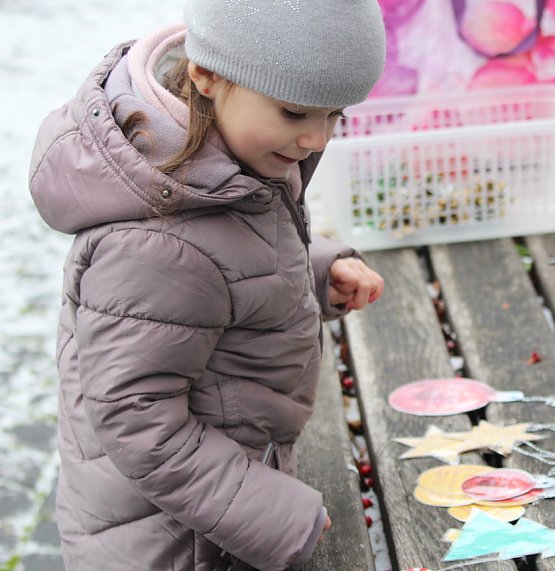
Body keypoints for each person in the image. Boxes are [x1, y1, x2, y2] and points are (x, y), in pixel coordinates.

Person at [28, 1, 386, 569]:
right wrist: (270, 510)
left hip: (212, 504)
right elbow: (136, 416)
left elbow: (227, 266)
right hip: (172, 541)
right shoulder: (151, 242)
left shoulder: (228, 163)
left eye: (335, 114)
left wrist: (316, 272)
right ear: (206, 76)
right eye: (295, 112)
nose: (317, 138)